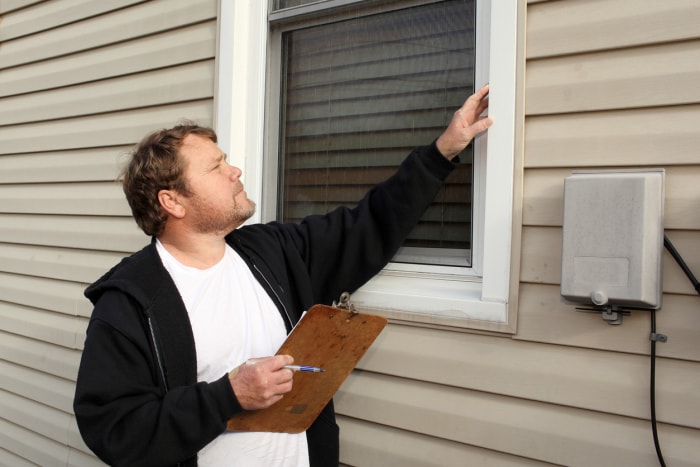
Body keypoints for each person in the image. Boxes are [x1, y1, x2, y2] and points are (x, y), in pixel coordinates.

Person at [73, 85, 493, 467]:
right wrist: (228, 396)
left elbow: (368, 224)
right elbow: (117, 431)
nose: (234, 171)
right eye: (215, 167)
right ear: (173, 202)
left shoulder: (272, 252)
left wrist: (443, 151)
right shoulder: (130, 302)